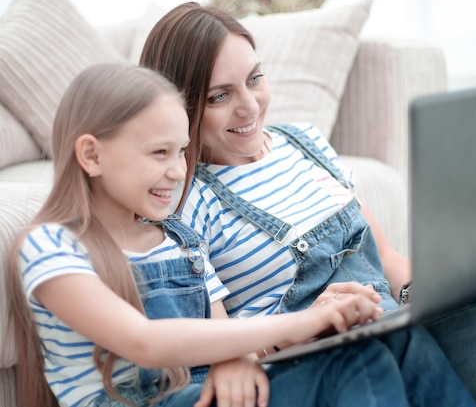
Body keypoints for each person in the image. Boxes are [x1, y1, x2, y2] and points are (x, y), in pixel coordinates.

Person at [140, 1, 476, 407]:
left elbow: (388, 259)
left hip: (399, 325)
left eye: (255, 79)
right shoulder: (184, 199)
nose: (249, 105)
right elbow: (211, 351)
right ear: (179, 108)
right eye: (221, 95)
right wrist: (302, 326)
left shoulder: (304, 143)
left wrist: (443, 287)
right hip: (330, 367)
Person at [5, 62, 427, 407]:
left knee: (378, 348)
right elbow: (145, 342)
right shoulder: (49, 244)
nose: (176, 170)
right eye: (159, 153)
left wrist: (240, 359)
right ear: (92, 155)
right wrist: (300, 322)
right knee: (356, 365)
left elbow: (223, 338)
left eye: (182, 151)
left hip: (207, 396)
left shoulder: (179, 242)